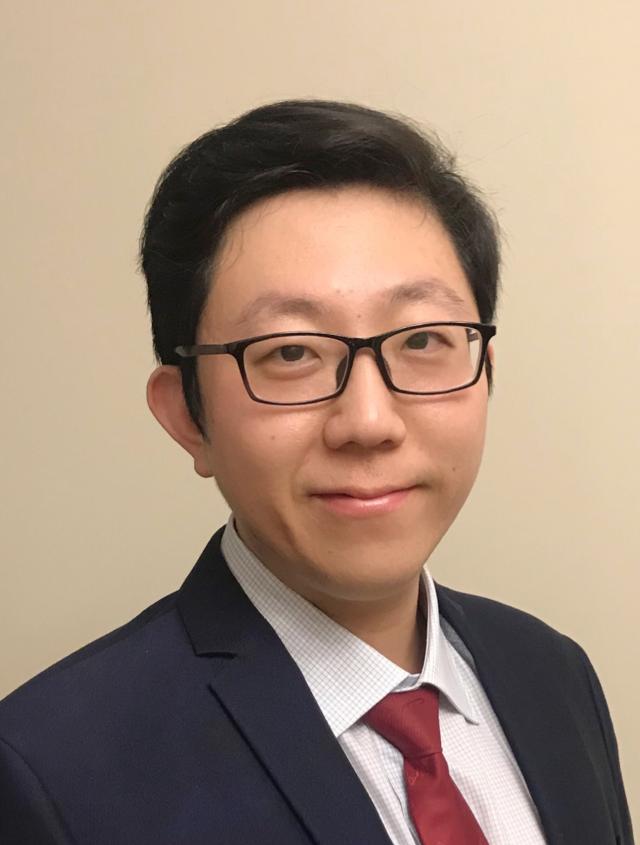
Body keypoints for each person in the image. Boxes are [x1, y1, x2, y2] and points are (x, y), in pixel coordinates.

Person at [0, 100, 633, 845]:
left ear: (485, 371)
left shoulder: (553, 674)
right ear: (186, 415)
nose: (369, 421)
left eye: (422, 340)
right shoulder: (52, 772)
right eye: (291, 352)